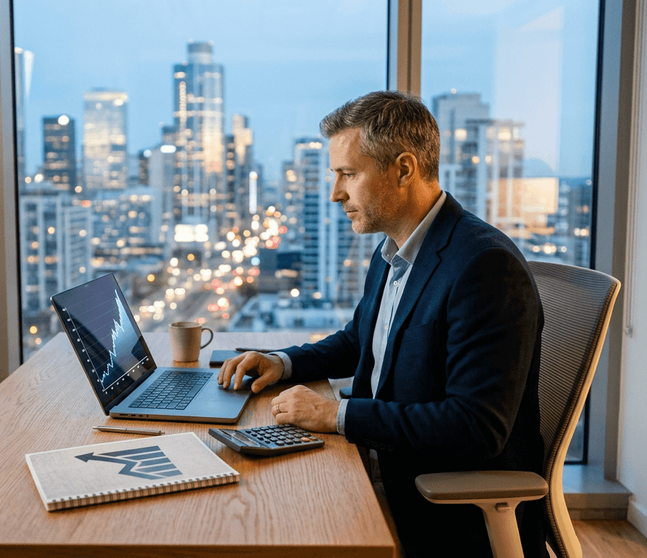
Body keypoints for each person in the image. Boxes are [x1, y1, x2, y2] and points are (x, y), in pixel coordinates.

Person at [218, 90, 547, 557]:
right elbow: (361, 341)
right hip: (378, 462)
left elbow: (477, 428)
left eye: (348, 174)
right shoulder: (395, 246)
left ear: (404, 169)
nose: (336, 193)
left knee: (262, 523)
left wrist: (335, 415)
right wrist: (283, 362)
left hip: (438, 504)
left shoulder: (484, 266)